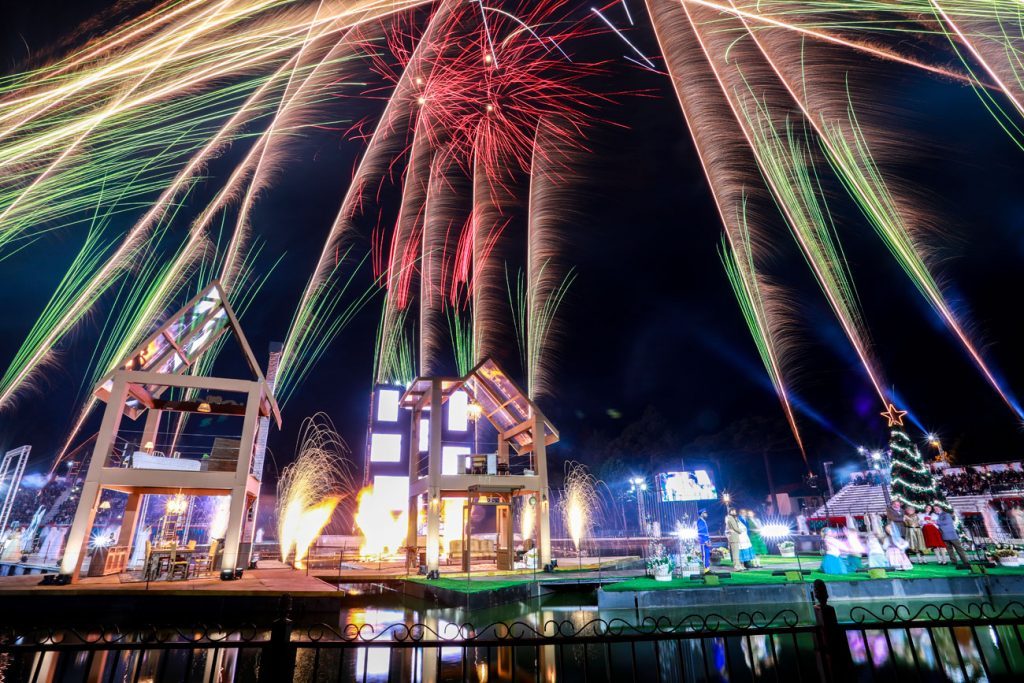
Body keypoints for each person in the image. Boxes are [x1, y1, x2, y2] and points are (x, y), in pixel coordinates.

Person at [696, 509, 711, 573]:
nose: (706, 514)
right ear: (701, 514)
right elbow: (700, 532)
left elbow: (706, 532)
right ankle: (705, 569)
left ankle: (707, 568)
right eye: (705, 513)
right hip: (703, 541)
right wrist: (705, 541)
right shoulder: (700, 521)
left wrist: (709, 540)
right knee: (704, 555)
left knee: (707, 554)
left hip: (706, 540)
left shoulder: (703, 521)